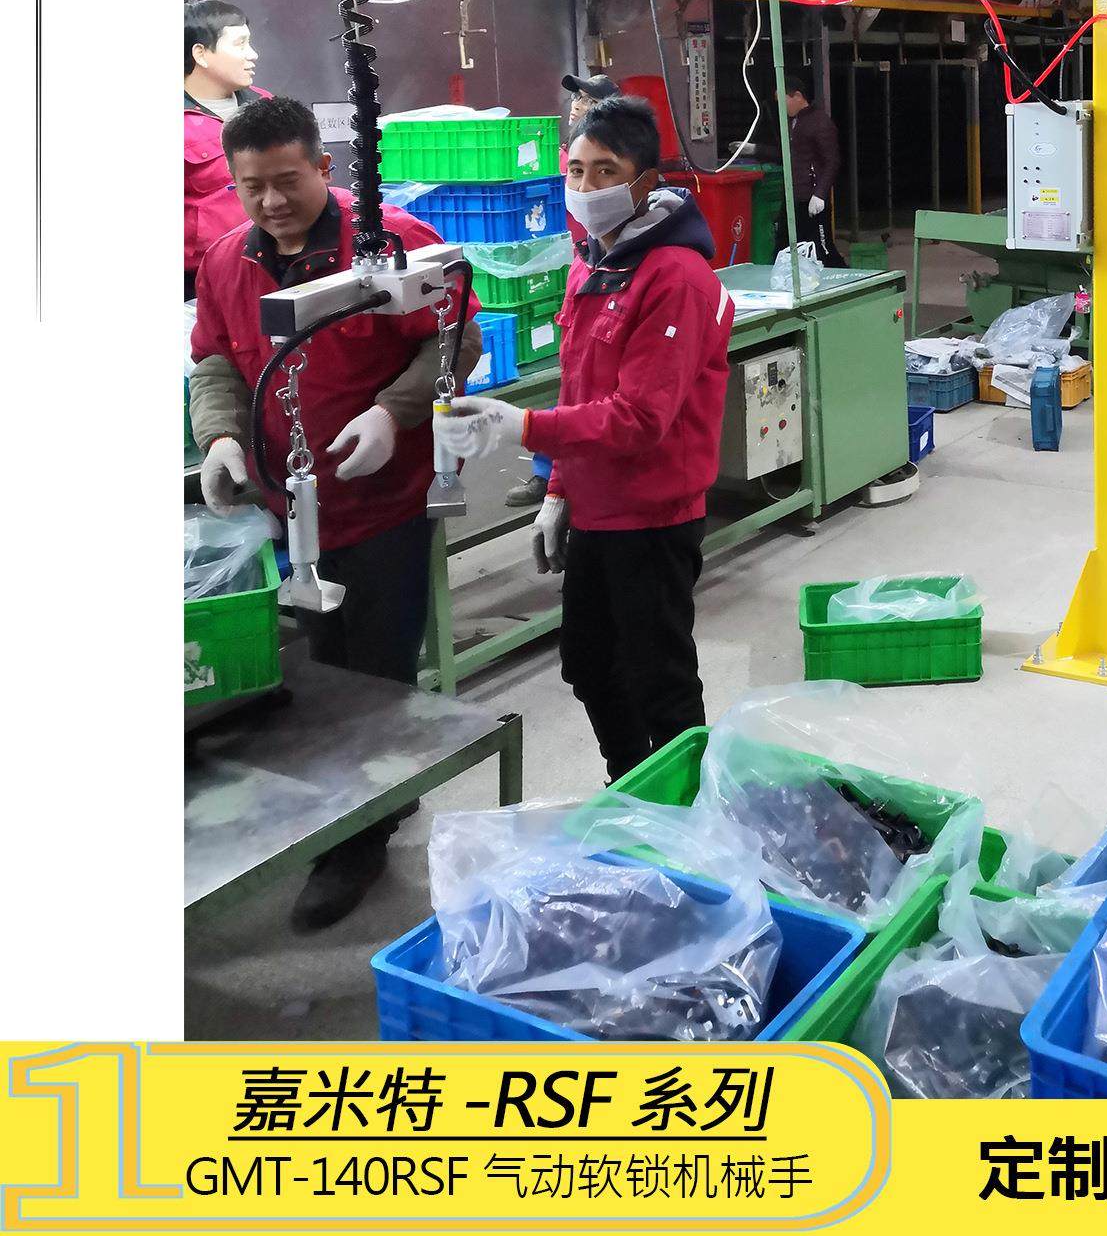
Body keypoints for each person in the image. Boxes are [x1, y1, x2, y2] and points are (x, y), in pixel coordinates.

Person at [188, 96, 482, 929]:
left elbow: (457, 338)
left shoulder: (390, 244)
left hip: (382, 502)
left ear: (324, 166)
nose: (272, 201)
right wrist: (220, 438)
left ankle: (359, 838)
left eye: (288, 180)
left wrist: (393, 411)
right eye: (253, 186)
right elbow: (215, 360)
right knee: (323, 672)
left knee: (378, 674)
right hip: (289, 504)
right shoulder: (226, 261)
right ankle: (367, 801)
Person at [434, 95, 732, 782]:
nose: (587, 186)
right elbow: (579, 389)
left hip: (652, 514)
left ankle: (689, 810)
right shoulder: (592, 264)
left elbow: (639, 418)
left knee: (660, 677)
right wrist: (557, 490)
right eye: (576, 170)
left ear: (645, 182)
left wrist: (521, 426)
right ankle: (630, 783)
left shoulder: (675, 278)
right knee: (590, 663)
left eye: (606, 171)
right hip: (597, 505)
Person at [503, 72, 622, 509]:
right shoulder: (558, 158)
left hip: (609, 276)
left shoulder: (621, 166)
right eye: (575, 97)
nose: (576, 104)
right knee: (570, 378)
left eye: (587, 99)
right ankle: (548, 474)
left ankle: (580, 475)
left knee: (601, 383)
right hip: (569, 273)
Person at [185, 0, 270, 297]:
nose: (252, 54)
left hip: (267, 263)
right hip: (195, 282)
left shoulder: (266, 105)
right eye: (240, 43)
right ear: (201, 54)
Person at [783, 72, 845, 267]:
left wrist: (819, 194)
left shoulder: (819, 122)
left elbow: (832, 161)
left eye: (783, 100)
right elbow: (785, 153)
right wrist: (754, 149)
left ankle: (842, 277)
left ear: (797, 96)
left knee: (823, 249)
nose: (781, 106)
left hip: (813, 197)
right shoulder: (793, 122)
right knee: (790, 246)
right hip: (795, 196)